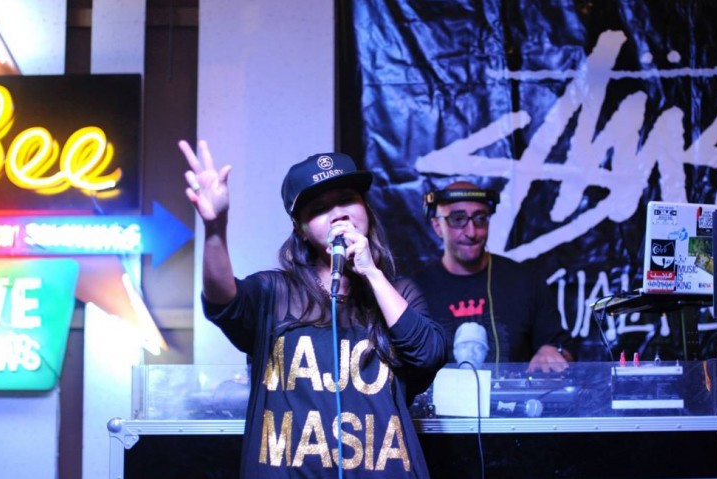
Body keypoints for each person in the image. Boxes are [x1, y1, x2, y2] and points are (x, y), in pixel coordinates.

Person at [179, 140, 447, 478]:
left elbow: (428, 354)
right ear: (300, 229)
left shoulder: (398, 292)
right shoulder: (275, 293)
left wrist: (371, 273)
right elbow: (222, 301)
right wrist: (215, 229)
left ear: (365, 207)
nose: (338, 214)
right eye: (320, 209)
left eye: (347, 199)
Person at [413, 181, 574, 373]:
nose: (471, 232)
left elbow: (564, 350)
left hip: (510, 393)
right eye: (458, 219)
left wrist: (551, 352)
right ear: (437, 226)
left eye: (480, 218)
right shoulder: (414, 290)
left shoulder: (526, 280)